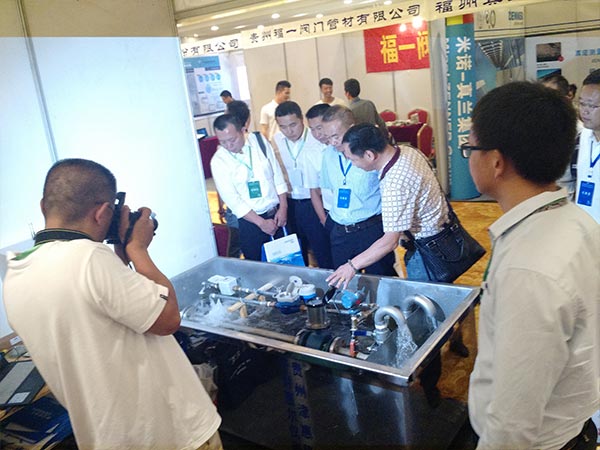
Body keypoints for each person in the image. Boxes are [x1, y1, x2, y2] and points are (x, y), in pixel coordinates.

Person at [3, 159, 222, 450]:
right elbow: (168, 318)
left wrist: (120, 255)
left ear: (44, 206)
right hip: (170, 434)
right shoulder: (89, 259)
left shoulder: (17, 273)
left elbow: (103, 309)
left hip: (106, 438)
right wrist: (137, 248)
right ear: (103, 212)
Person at [466, 81, 599, 449]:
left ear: (496, 162)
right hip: (571, 427)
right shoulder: (574, 219)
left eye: (470, 148)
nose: (468, 157)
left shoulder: (528, 271)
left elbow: (513, 422)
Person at [325, 123, 448, 288]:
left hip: (426, 250)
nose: (353, 164)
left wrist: (351, 266)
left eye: (353, 159)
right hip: (440, 235)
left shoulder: (394, 183)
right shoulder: (407, 151)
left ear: (369, 155)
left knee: (424, 297)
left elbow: (390, 242)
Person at [317, 105, 395, 276]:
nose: (332, 142)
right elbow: (330, 191)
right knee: (343, 282)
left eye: (336, 136)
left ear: (351, 128)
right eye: (328, 137)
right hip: (340, 231)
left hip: (371, 229)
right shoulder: (328, 154)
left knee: (381, 280)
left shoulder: (371, 153)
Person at [211, 113, 288, 261]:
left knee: (287, 263)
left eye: (232, 140)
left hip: (278, 216)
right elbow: (233, 200)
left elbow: (277, 174)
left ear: (242, 130)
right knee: (258, 268)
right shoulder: (219, 161)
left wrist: (283, 207)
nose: (228, 146)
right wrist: (261, 223)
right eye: (223, 142)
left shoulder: (259, 141)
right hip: (251, 223)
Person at [273, 101, 333, 268]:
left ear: (301, 120)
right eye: (283, 126)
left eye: (293, 125)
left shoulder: (316, 138)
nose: (289, 131)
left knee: (322, 249)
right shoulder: (276, 140)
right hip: (289, 203)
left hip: (314, 202)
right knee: (295, 251)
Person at [541, 73, 581, 198]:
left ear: (568, 95)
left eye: (552, 96)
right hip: (543, 193)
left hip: (568, 195)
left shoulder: (580, 131)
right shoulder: (539, 127)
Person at [575, 68, 600, 223]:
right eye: (582, 103)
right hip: (585, 226)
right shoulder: (584, 135)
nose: (584, 111)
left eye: (591, 106)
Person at [306, 103, 334, 223]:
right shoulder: (312, 152)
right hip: (331, 211)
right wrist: (323, 220)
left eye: (319, 128)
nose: (317, 134)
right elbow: (314, 190)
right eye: (312, 129)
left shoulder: (347, 147)